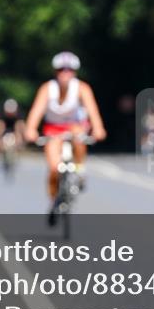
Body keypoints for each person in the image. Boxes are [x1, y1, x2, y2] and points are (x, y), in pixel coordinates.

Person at [24, 52, 107, 224]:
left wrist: (98, 128)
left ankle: (79, 168)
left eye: (69, 70)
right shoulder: (47, 88)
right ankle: (54, 200)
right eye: (61, 70)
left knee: (79, 136)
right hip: (53, 130)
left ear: (75, 72)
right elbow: (36, 111)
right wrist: (30, 129)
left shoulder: (82, 88)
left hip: (74, 126)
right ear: (56, 72)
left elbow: (92, 110)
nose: (65, 73)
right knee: (54, 168)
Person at [0, 99, 25, 174]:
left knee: (19, 131)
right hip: (4, 128)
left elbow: (21, 125)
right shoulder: (1, 113)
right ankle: (1, 153)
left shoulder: (19, 114)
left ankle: (17, 152)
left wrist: (21, 138)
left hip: (14, 129)